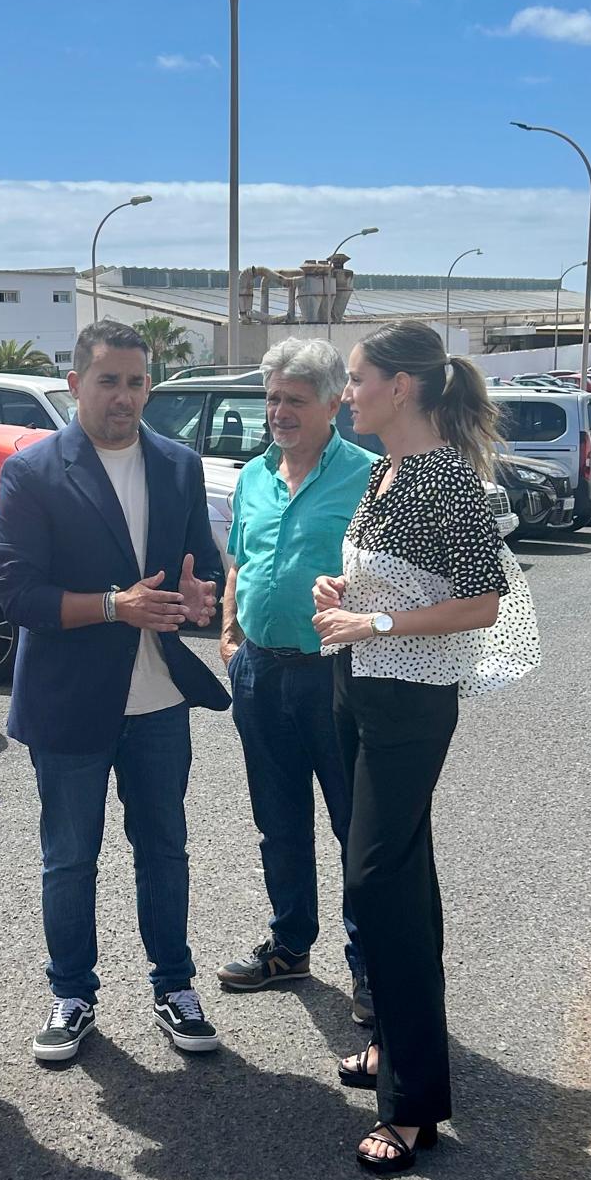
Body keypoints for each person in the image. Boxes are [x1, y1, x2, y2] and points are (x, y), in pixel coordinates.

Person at [312, 321, 538, 1176]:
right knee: (395, 877)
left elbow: (481, 602)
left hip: (409, 700)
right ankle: (399, 1051)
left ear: (401, 387)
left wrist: (375, 618)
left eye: (358, 379)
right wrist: (346, 591)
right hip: (357, 685)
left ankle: (412, 1109)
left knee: (378, 882)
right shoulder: (384, 470)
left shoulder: (449, 481)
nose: (349, 393)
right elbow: (391, 582)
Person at [0, 320, 230, 1063]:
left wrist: (201, 598)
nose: (124, 397)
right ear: (74, 386)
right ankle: (72, 994)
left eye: (135, 382)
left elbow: (207, 572)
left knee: (165, 849)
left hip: (158, 701)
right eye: (108, 381)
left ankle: (174, 986)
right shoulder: (33, 472)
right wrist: (112, 605)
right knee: (70, 857)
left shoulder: (178, 465)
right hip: (69, 702)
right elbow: (15, 592)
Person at [215, 339, 378, 1025]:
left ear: (335, 403)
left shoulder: (372, 476)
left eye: (294, 400)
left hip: (336, 676)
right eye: (272, 397)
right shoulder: (254, 475)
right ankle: (290, 945)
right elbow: (240, 562)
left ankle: (371, 969)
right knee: (277, 820)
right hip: (258, 669)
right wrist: (230, 635)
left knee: (354, 825)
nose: (279, 411)